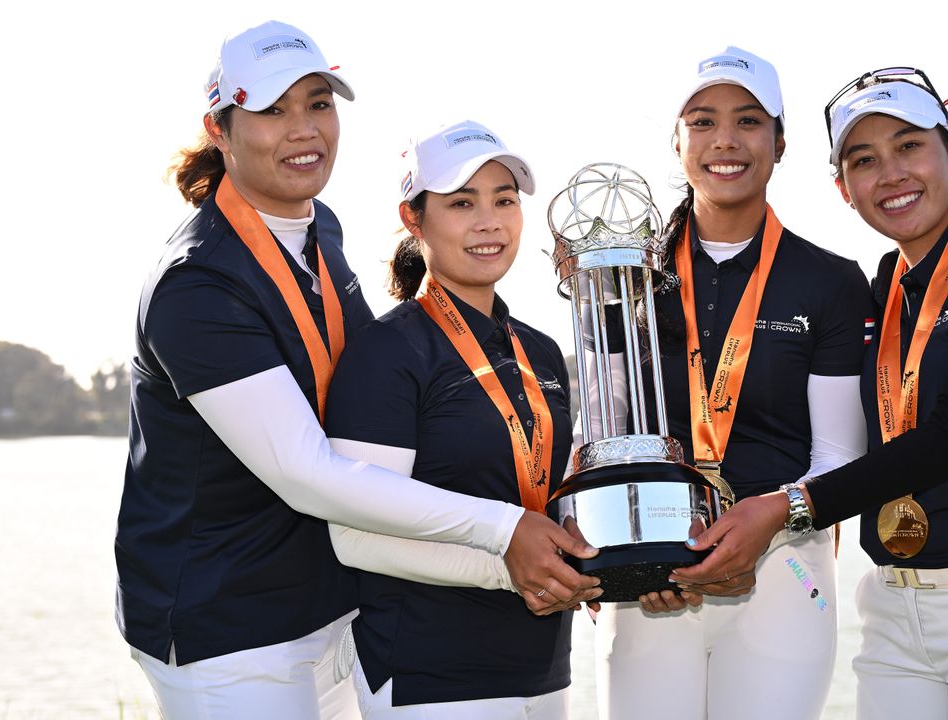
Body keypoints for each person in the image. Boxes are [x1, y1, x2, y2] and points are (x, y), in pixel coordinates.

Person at [115, 23, 593, 719]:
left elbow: (397, 394)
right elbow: (306, 473)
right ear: (220, 129)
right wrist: (505, 534)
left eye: (318, 103)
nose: (303, 130)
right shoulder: (197, 287)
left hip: (332, 604)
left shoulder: (321, 230)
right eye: (272, 110)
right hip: (225, 624)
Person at [671, 67, 948, 718]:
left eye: (909, 146)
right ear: (844, 189)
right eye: (863, 160)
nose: (891, 174)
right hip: (894, 608)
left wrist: (786, 509)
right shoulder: (877, 294)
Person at [591, 47, 874, 720]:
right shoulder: (620, 276)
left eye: (748, 122)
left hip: (790, 568)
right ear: (678, 141)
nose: (724, 140)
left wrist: (766, 532)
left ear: (779, 143)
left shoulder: (831, 281)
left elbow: (837, 457)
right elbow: (599, 441)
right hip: (656, 574)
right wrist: (632, 558)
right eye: (702, 121)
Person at [321, 119, 598, 719]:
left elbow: (547, 496)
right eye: (461, 203)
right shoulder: (386, 350)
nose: (488, 222)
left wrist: (593, 549)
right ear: (414, 219)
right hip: (430, 669)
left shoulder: (542, 351)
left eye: (504, 200)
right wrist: (511, 570)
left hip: (542, 660)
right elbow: (355, 537)